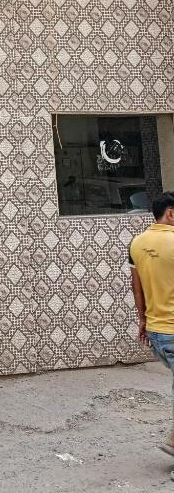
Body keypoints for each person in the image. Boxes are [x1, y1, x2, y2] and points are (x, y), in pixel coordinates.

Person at [129, 191, 174, 455]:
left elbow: (136, 287)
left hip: (156, 333)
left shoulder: (137, 243)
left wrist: (143, 320)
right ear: (171, 213)